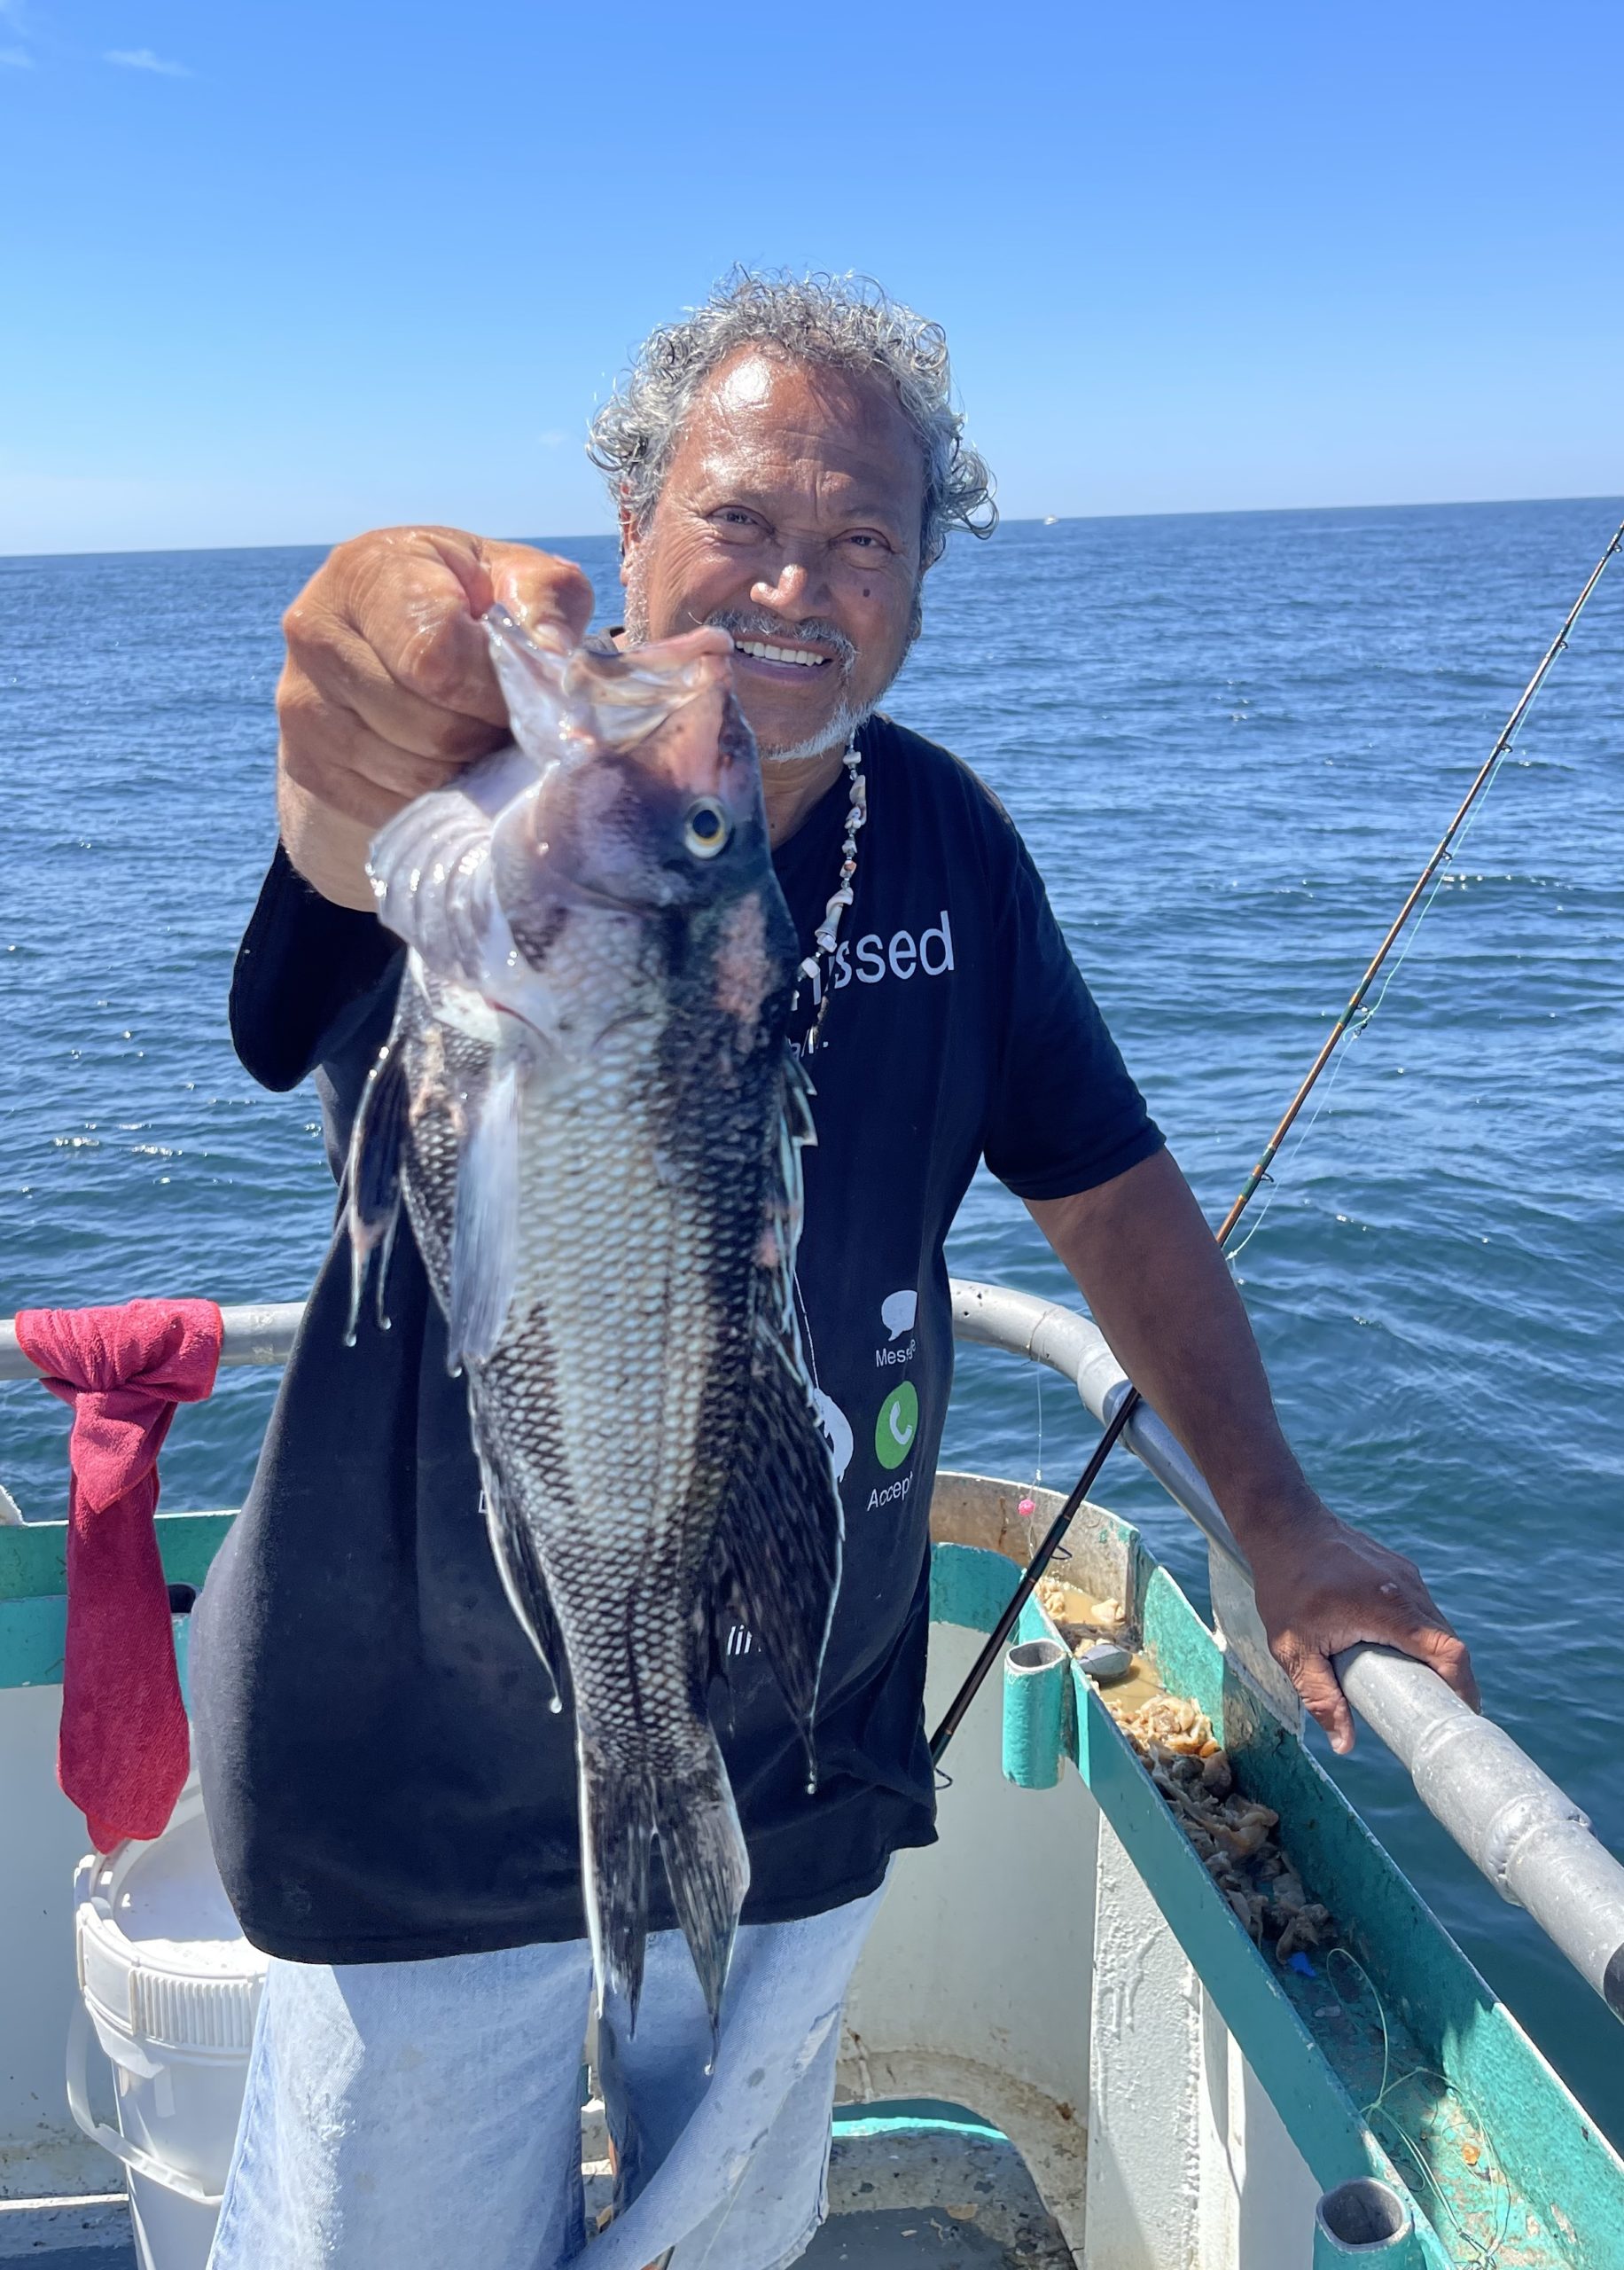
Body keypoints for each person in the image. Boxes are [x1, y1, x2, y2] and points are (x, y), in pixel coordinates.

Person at [191, 271, 1479, 2270]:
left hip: (802, 1729)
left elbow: (1115, 1192)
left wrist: (1281, 1517)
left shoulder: (946, 840)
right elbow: (335, 794)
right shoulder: (481, 801)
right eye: (740, 518)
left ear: (920, 587)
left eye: (861, 539)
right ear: (629, 518)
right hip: (415, 1783)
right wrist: (356, 657)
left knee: (732, 2241)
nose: (795, 585)